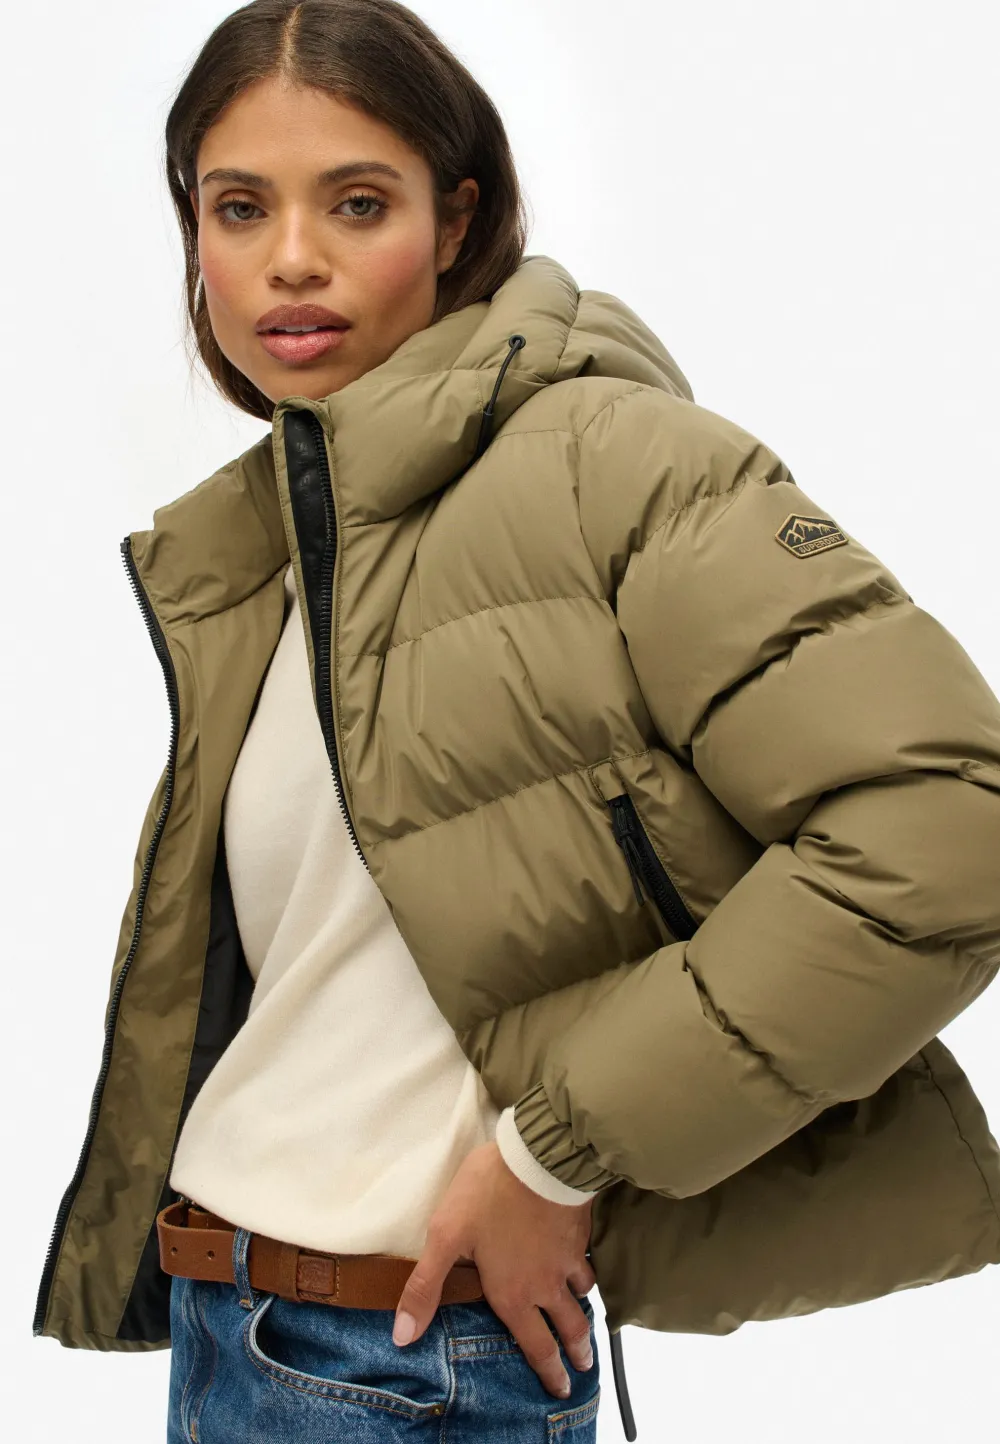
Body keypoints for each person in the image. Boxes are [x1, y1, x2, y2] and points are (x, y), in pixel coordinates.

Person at [32, 2, 1000, 1441]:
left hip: (409, 1361)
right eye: (239, 208)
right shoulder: (280, 548)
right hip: (229, 1323)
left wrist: (558, 1154)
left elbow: (949, 831)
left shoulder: (616, 466)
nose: (290, 257)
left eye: (357, 203)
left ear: (458, 217)